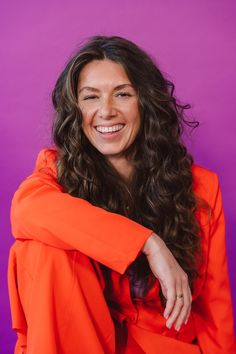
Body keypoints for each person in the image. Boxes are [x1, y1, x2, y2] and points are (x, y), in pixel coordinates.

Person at [8, 35, 236, 354]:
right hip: (79, 343)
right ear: (75, 108)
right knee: (44, 249)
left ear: (145, 102)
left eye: (122, 94)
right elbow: (25, 211)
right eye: (90, 98)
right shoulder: (55, 173)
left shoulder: (201, 187)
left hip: (164, 347)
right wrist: (147, 243)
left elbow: (215, 312)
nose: (106, 111)